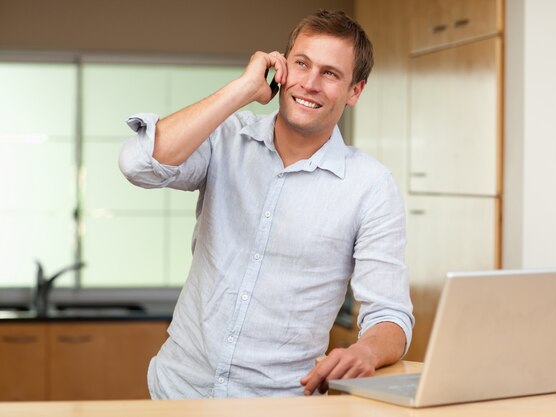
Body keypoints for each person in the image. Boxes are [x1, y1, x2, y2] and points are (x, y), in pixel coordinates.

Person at [119, 9, 414, 399]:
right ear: (281, 67)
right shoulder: (225, 138)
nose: (309, 83)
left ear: (354, 91)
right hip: (177, 393)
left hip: (281, 404)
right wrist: (242, 89)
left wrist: (365, 351)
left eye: (330, 73)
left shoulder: (371, 186)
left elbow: (391, 316)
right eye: (302, 64)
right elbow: (139, 165)